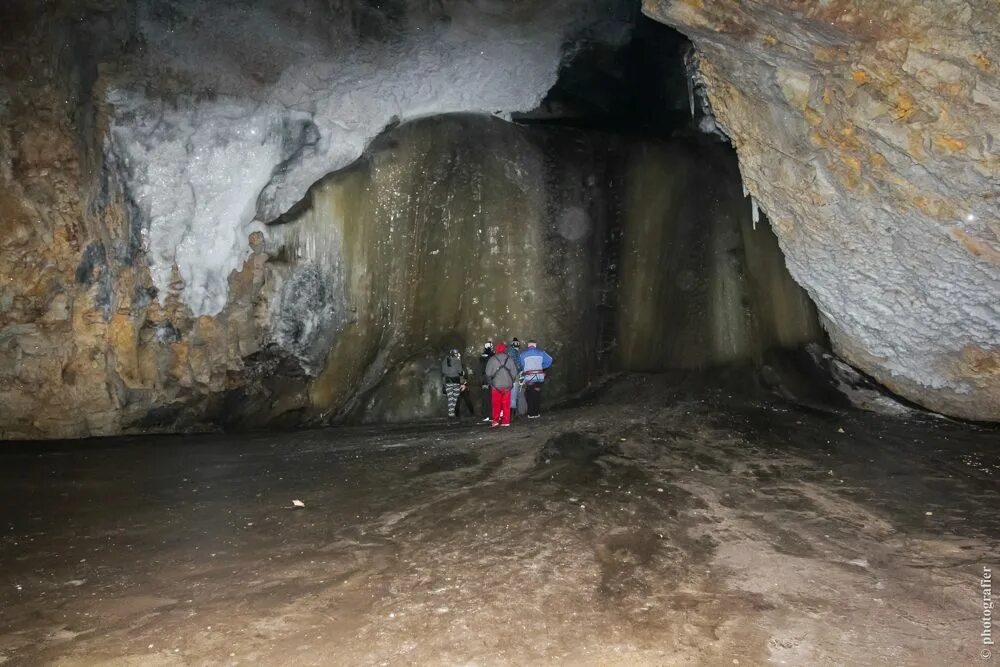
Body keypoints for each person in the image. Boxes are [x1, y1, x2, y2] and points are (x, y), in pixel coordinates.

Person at [484, 341, 519, 427]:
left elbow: (488, 373)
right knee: (506, 404)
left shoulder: (492, 359)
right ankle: (506, 421)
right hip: (507, 385)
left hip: (496, 386)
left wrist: (491, 383)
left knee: (496, 404)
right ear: (504, 349)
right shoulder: (509, 359)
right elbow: (514, 373)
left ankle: (495, 421)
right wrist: (511, 382)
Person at [519, 340, 553, 418]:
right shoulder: (541, 353)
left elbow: (521, 365)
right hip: (539, 377)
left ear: (528, 345)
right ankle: (537, 413)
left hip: (529, 378)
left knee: (530, 395)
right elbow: (550, 360)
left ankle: (531, 414)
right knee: (537, 394)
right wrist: (542, 367)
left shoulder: (523, 354)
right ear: (535, 345)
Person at [440, 348, 468, 422]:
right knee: (455, 398)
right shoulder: (457, 361)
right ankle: (451, 414)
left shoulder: (444, 361)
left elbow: (443, 372)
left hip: (447, 381)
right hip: (455, 381)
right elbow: (460, 372)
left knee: (450, 398)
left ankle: (451, 413)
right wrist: (463, 383)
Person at [478, 340, 494, 423]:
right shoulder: (493, 356)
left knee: (485, 398)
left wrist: (481, 381)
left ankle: (485, 415)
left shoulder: (481, 357)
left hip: (484, 380)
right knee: (491, 398)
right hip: (491, 379)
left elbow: (479, 369)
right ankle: (491, 415)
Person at [508, 337, 524, 417]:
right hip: (514, 375)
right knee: (514, 393)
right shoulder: (514, 352)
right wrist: (521, 369)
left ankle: (512, 413)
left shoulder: (510, 351)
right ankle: (512, 414)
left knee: (512, 394)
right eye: (516, 343)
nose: (517, 345)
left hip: (508, 375)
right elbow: (517, 364)